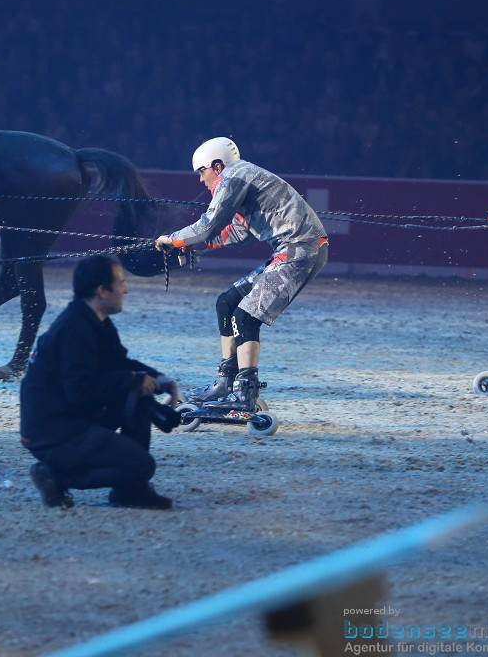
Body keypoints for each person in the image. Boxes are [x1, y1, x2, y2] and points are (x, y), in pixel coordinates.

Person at [155, 137, 328, 410]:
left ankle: (245, 394)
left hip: (299, 251)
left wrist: (174, 239)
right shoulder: (243, 177)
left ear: (217, 165)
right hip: (293, 251)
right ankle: (227, 381)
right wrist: (197, 243)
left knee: (244, 316)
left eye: (202, 172)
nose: (202, 180)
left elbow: (208, 224)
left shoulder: (233, 177)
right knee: (227, 302)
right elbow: (239, 231)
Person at [19, 254, 181, 510]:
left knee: (139, 399)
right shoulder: (76, 329)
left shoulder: (93, 321)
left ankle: (130, 493)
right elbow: (81, 391)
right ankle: (52, 475)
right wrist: (131, 379)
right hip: (54, 434)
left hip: (71, 418)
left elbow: (119, 363)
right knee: (142, 466)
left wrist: (159, 379)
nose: (125, 290)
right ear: (102, 291)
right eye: (121, 283)